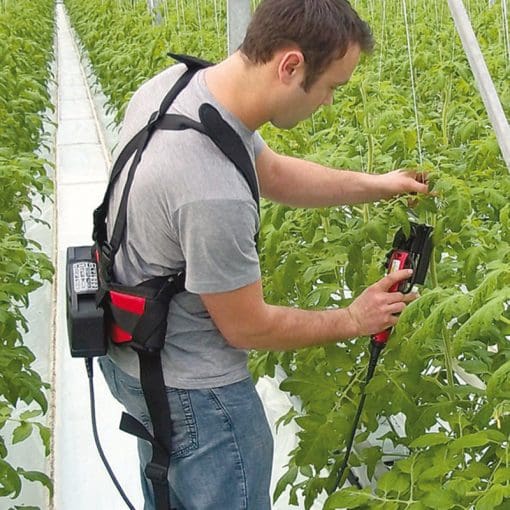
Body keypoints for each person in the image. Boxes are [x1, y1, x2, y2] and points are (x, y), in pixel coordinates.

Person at [98, 0, 429, 508]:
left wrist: (378, 185)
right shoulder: (210, 190)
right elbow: (246, 327)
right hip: (198, 399)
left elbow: (268, 171)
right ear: (290, 65)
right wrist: (352, 317)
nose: (330, 104)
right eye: (332, 88)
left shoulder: (177, 87)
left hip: (135, 360)